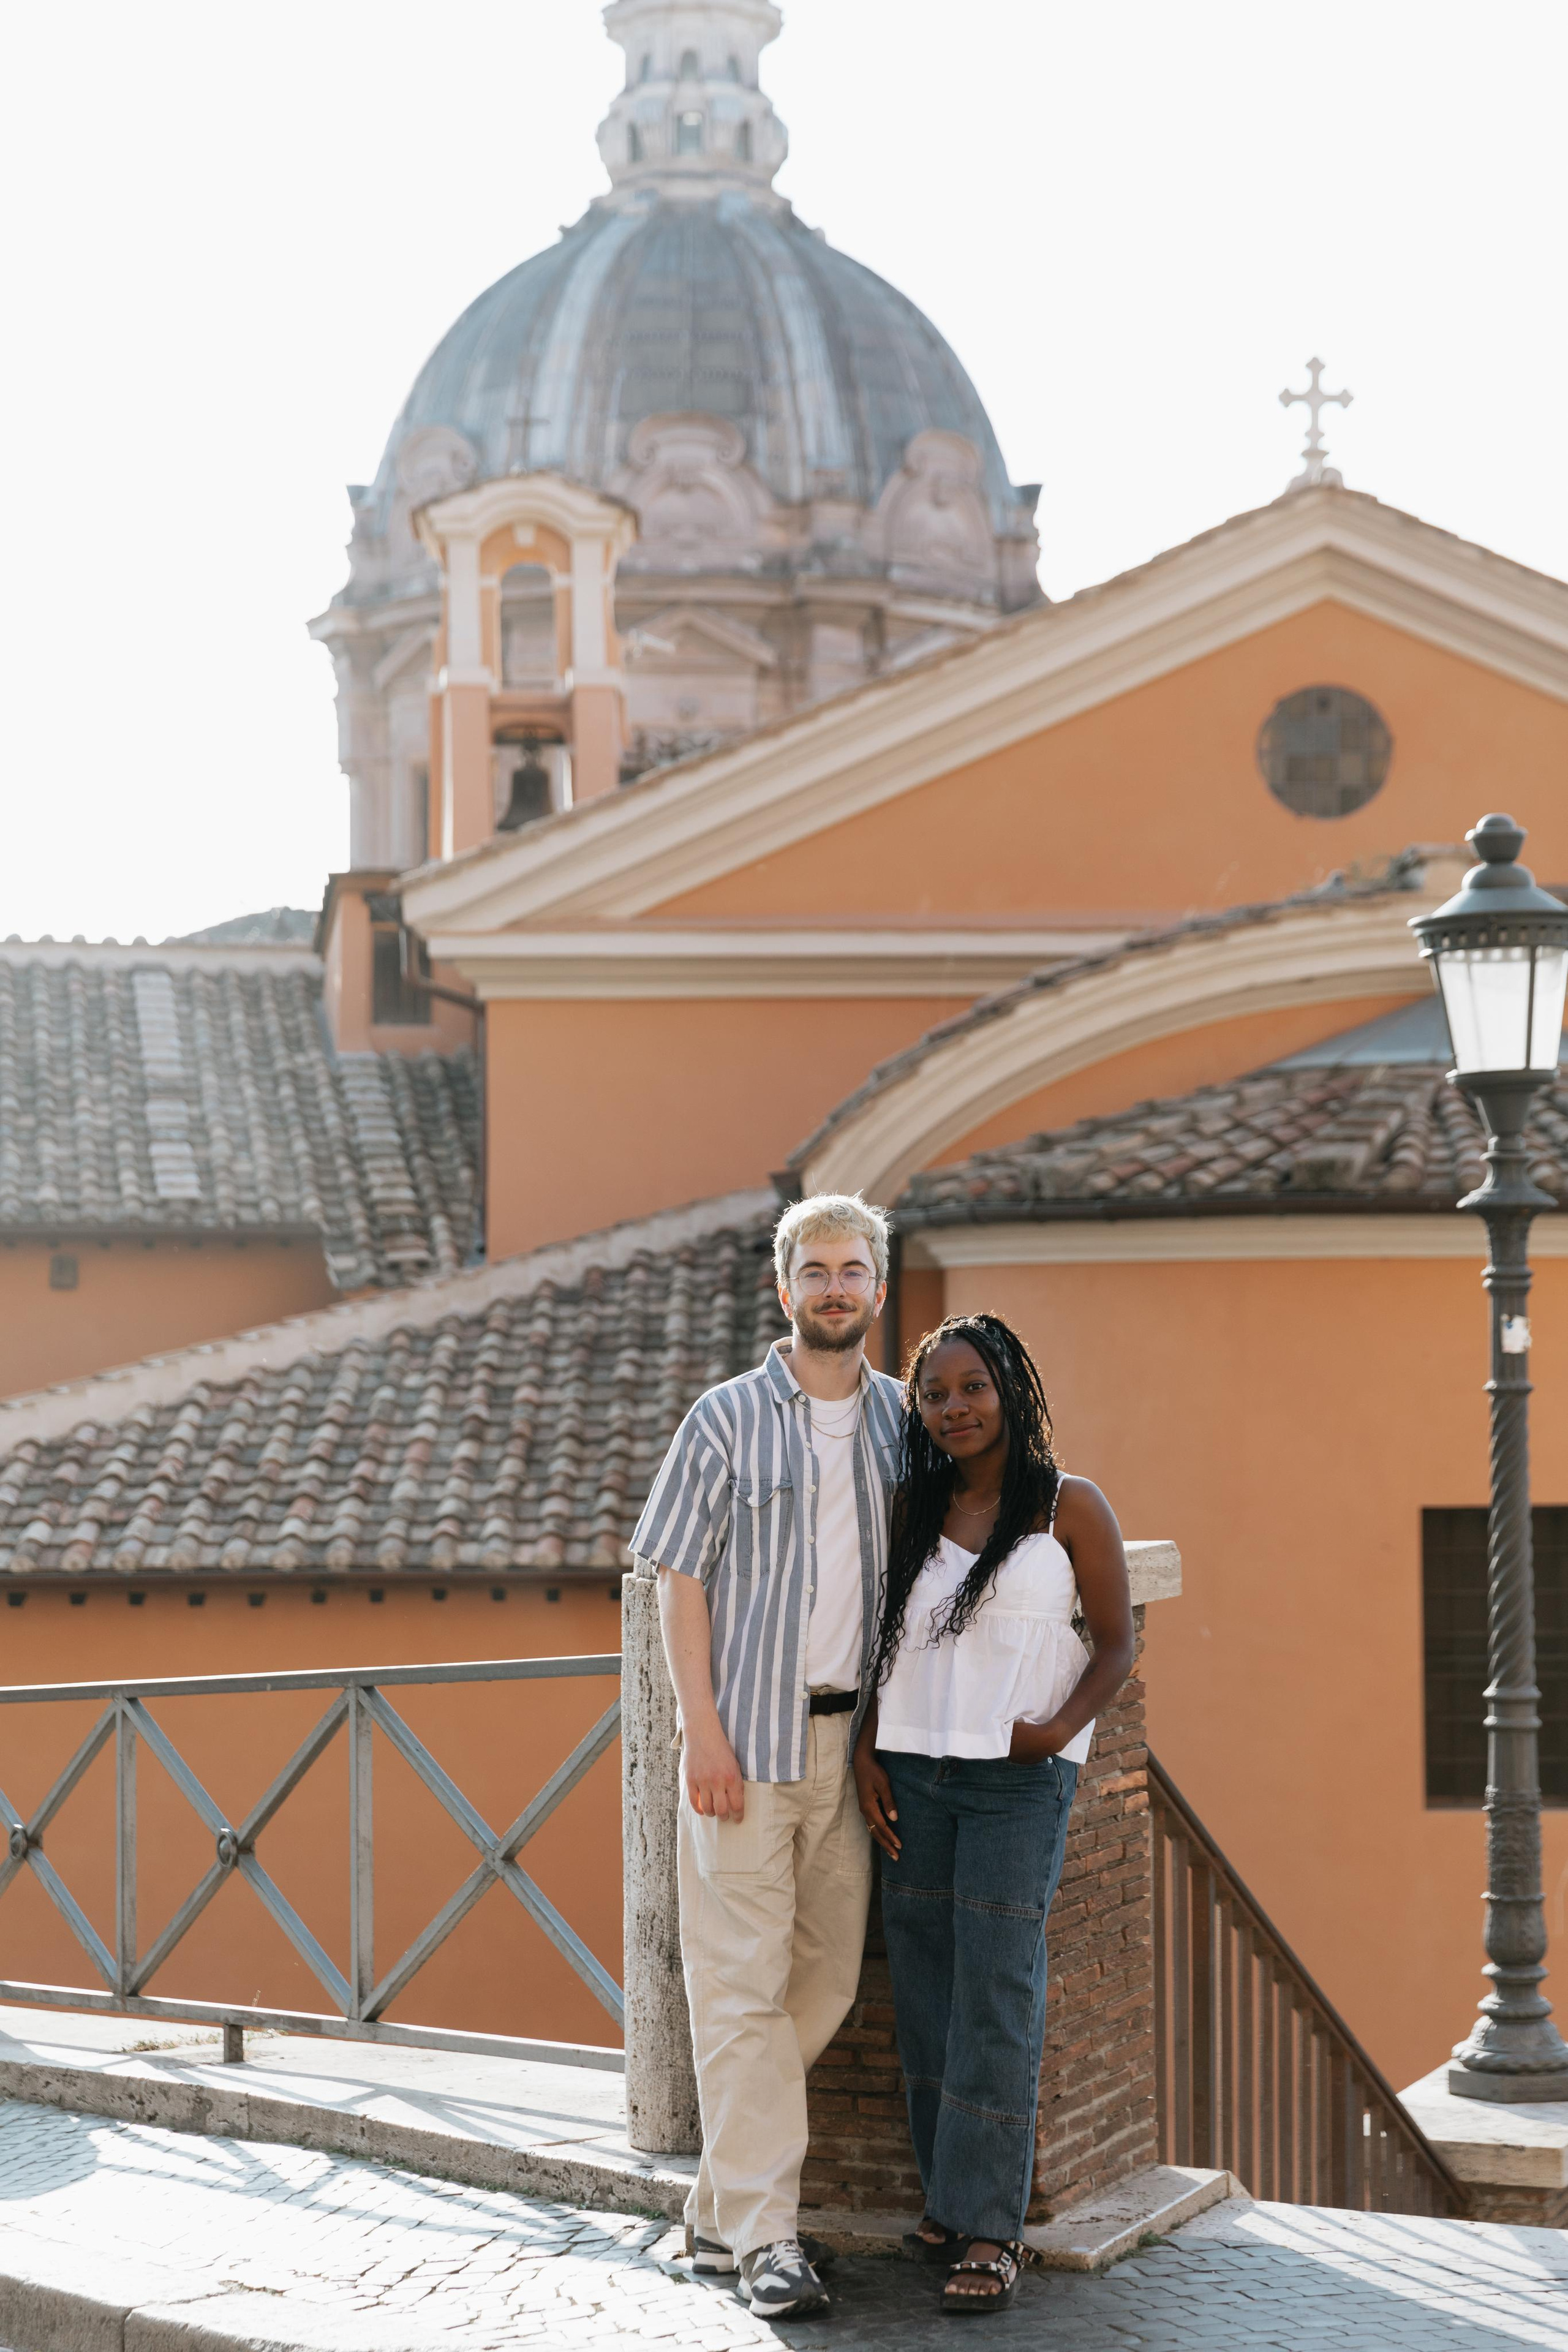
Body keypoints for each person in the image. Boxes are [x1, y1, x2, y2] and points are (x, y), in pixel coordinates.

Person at [631, 1193, 902, 2320]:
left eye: (853, 1271)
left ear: (877, 1290)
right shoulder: (726, 1418)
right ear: (780, 1289)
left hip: (852, 1752)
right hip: (747, 1742)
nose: (834, 1289)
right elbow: (674, 1573)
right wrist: (701, 1727)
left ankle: (710, 2214)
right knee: (738, 1989)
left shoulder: (902, 1421)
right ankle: (764, 2240)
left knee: (827, 1977)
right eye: (816, 1272)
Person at [853, 1313, 1134, 2318]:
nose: (954, 1408)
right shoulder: (911, 1507)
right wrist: (865, 1754)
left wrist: (1055, 1731)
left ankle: (990, 2228)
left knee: (998, 1990)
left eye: (971, 1386)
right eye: (934, 1395)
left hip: (1017, 1782)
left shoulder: (1069, 1508)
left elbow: (1114, 1644)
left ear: (1010, 1387)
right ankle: (947, 2199)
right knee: (925, 1985)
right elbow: (885, 1645)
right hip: (915, 1774)